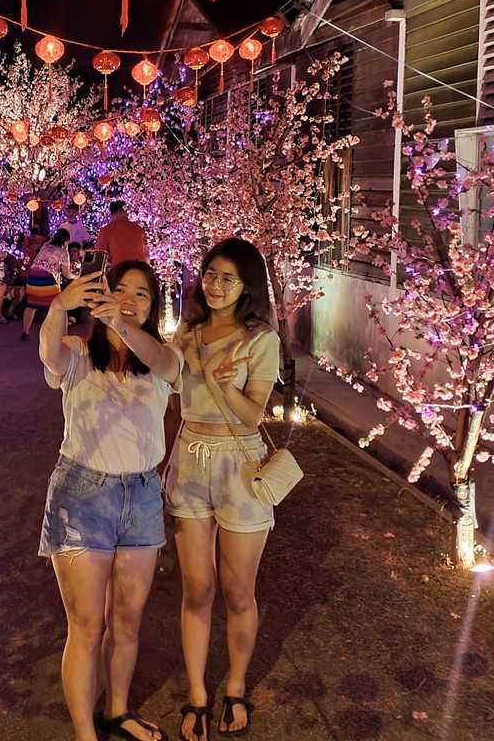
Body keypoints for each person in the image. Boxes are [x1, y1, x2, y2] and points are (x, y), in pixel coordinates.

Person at [39, 261, 183, 741]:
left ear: (153, 306)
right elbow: (48, 353)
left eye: (141, 294)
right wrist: (61, 304)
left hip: (142, 495)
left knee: (127, 619)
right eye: (119, 290)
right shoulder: (78, 354)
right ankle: (85, 733)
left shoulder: (164, 359)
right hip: (82, 495)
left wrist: (120, 322)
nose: (129, 299)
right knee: (85, 625)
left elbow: (164, 363)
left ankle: (117, 711)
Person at [164, 238, 280, 741]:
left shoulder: (260, 339)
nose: (215, 285)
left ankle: (234, 684)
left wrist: (222, 379)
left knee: (237, 591)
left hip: (239, 467)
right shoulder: (188, 331)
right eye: (210, 274)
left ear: (247, 285)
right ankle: (196, 694)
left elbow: (254, 414)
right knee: (197, 590)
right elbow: (161, 382)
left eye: (228, 278)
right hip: (190, 460)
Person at [23, 229, 74, 340]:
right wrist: (76, 276)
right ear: (66, 241)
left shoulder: (45, 246)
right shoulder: (63, 253)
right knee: (58, 305)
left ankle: (25, 331)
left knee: (31, 305)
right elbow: (66, 274)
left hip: (32, 276)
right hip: (46, 278)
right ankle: (58, 333)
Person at [95, 200, 149, 266]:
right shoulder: (139, 229)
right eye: (125, 211)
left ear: (112, 214)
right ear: (120, 211)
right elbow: (146, 255)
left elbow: (100, 257)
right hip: (140, 269)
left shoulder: (105, 231)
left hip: (120, 270)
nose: (127, 214)